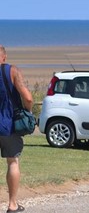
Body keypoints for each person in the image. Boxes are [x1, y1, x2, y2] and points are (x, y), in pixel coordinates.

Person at [0, 45, 34, 213]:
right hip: (9, 125)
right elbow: (28, 97)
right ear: (4, 57)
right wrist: (28, 112)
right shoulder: (11, 71)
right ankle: (12, 205)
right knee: (12, 162)